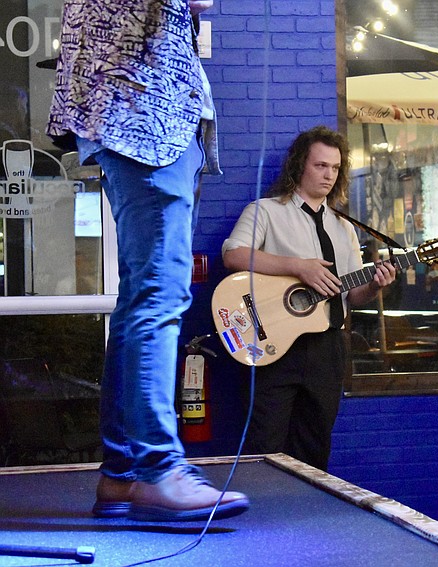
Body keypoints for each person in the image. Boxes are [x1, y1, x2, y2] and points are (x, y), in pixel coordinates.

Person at [46, 0, 249, 522]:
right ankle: (158, 470)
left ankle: (123, 474)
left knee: (143, 295)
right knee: (159, 294)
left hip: (139, 115)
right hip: (145, 117)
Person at [222, 126, 396, 471]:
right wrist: (297, 267)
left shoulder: (344, 227)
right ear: (300, 164)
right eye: (320, 165)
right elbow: (233, 255)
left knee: (315, 449)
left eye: (335, 168)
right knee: (264, 446)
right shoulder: (266, 211)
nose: (329, 175)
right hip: (274, 346)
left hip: (327, 349)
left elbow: (352, 294)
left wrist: (375, 286)